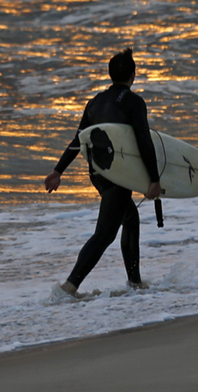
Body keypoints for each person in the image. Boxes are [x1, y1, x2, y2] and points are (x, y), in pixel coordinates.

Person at [44, 48, 161, 298]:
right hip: (119, 174)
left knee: (130, 218)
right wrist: (154, 179)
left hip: (98, 173)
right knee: (105, 234)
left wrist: (58, 171)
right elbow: (144, 141)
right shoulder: (134, 102)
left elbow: (79, 140)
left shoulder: (95, 102)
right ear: (133, 74)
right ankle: (69, 287)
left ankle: (135, 283)